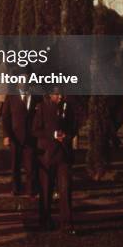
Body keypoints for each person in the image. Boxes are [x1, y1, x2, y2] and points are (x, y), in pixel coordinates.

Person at [32, 87, 77, 234]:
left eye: (61, 94)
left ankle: (67, 223)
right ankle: (44, 220)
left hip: (63, 155)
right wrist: (52, 135)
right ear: (50, 95)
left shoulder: (67, 107)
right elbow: (35, 130)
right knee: (46, 190)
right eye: (57, 94)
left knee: (65, 188)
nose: (60, 97)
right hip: (47, 156)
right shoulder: (42, 108)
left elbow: (74, 127)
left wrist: (67, 136)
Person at [2, 83, 40, 196]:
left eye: (27, 81)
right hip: (15, 137)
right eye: (22, 81)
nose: (24, 83)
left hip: (30, 138)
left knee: (30, 166)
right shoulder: (11, 97)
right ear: (18, 83)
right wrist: (6, 135)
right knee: (15, 166)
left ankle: (31, 190)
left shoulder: (36, 97)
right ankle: (16, 189)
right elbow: (5, 117)